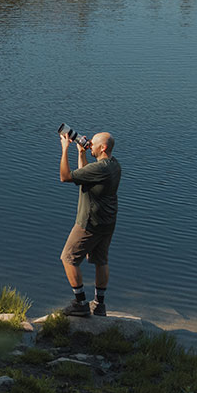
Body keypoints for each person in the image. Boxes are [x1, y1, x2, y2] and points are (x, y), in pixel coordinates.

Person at [58, 130, 120, 317]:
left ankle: (81, 303)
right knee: (101, 260)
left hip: (89, 223)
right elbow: (84, 176)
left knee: (68, 258)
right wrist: (81, 153)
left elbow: (66, 177)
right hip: (107, 222)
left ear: (103, 148)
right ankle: (99, 305)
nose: (89, 143)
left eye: (93, 143)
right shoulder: (114, 165)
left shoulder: (100, 169)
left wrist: (65, 149)